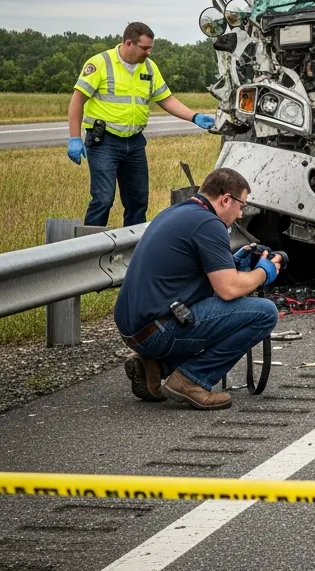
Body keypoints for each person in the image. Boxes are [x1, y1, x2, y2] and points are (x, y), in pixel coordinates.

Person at [115, 167, 281, 410]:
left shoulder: (178, 212)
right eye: (241, 205)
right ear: (226, 199)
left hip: (135, 328)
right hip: (158, 330)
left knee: (215, 315)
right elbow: (229, 289)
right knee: (265, 313)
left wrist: (233, 262)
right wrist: (264, 272)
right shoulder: (209, 224)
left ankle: (155, 367)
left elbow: (188, 270)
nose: (240, 213)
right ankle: (192, 379)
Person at [67, 22, 216, 227]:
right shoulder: (100, 63)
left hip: (135, 143)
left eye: (150, 47)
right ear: (129, 43)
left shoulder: (149, 67)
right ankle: (90, 250)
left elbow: (166, 99)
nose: (149, 52)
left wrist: (194, 116)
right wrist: (75, 138)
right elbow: (77, 102)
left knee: (138, 201)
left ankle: (133, 251)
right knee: (103, 199)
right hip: (104, 142)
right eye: (145, 48)